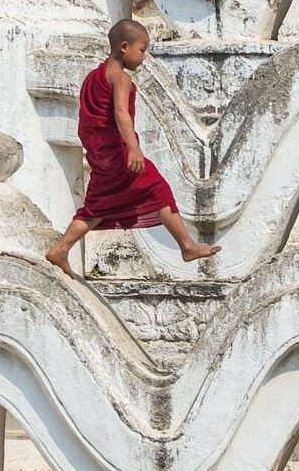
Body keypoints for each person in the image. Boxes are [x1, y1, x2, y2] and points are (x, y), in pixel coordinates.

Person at [45, 19, 220, 278]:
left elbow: (87, 119)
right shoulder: (120, 78)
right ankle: (187, 245)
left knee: (97, 206)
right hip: (118, 151)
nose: (144, 56)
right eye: (142, 49)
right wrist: (133, 149)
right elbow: (121, 114)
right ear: (124, 47)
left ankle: (61, 248)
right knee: (158, 189)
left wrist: (97, 150)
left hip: (100, 152)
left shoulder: (94, 76)